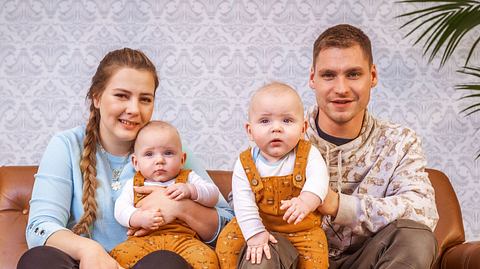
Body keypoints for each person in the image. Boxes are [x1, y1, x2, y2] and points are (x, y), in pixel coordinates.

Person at [18, 48, 233, 269]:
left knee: (166, 263)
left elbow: (229, 225)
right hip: (88, 265)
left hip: (149, 262)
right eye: (122, 95)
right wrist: (90, 250)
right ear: (97, 97)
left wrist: (180, 208)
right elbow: (39, 227)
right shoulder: (66, 145)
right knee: (37, 260)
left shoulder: (167, 152)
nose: (134, 109)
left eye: (145, 99)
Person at [216, 82, 330, 269]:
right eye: (265, 121)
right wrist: (254, 233)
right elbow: (243, 201)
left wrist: (306, 200)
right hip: (258, 221)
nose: (276, 128)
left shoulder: (309, 154)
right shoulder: (245, 162)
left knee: (317, 257)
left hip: (302, 229)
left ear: (303, 128)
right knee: (227, 243)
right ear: (250, 131)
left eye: (287, 120)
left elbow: (319, 180)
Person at [110, 120, 220, 269]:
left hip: (185, 241)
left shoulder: (189, 178)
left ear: (182, 159)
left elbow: (213, 195)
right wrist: (138, 217)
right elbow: (120, 208)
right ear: (136, 163)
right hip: (142, 241)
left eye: (168, 153)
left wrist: (191, 190)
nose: (160, 160)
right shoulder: (134, 184)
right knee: (118, 255)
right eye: (149, 154)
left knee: (207, 258)